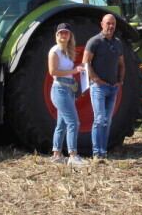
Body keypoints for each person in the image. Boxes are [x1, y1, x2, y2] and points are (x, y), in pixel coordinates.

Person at [82, 14, 126, 161]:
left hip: (113, 88)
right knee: (99, 119)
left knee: (107, 122)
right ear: (102, 24)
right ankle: (96, 153)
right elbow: (85, 63)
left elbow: (121, 63)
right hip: (99, 88)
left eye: (113, 23)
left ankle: (103, 152)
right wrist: (95, 79)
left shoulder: (118, 43)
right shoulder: (94, 41)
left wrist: (120, 81)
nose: (111, 26)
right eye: (108, 23)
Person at [49, 23, 88, 166]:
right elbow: (52, 71)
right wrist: (73, 71)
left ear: (70, 35)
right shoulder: (55, 51)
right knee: (73, 122)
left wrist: (79, 69)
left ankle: (56, 155)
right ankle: (73, 155)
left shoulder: (66, 51)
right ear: (57, 35)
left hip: (68, 89)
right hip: (60, 89)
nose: (63, 35)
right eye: (61, 33)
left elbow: (67, 71)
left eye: (66, 33)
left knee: (61, 124)